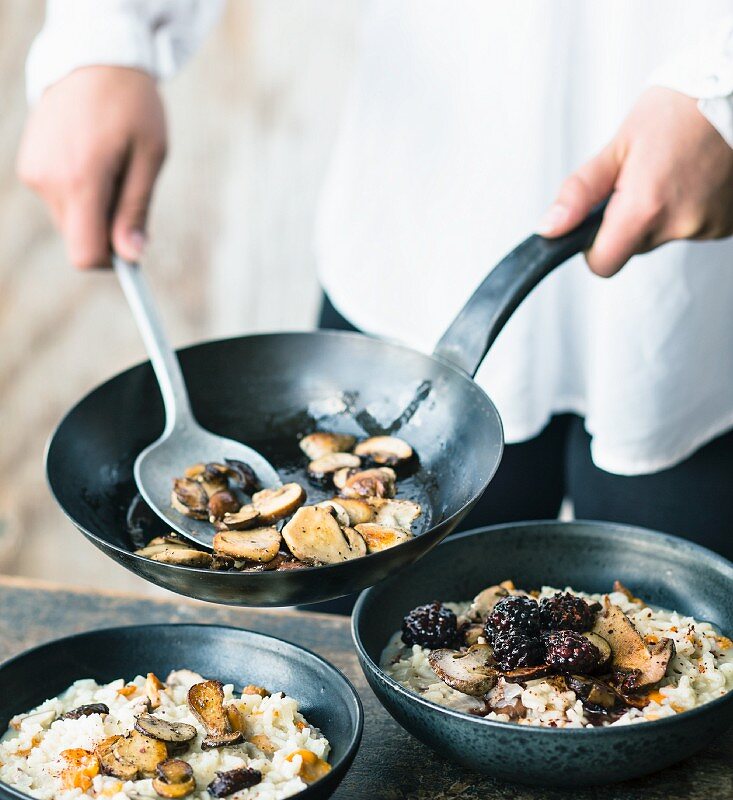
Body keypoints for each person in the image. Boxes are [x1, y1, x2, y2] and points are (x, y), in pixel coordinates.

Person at [17, 1, 733, 568]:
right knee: (351, 686)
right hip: (419, 230)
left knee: (695, 695)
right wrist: (104, 34)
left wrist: (721, 86)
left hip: (701, 300)